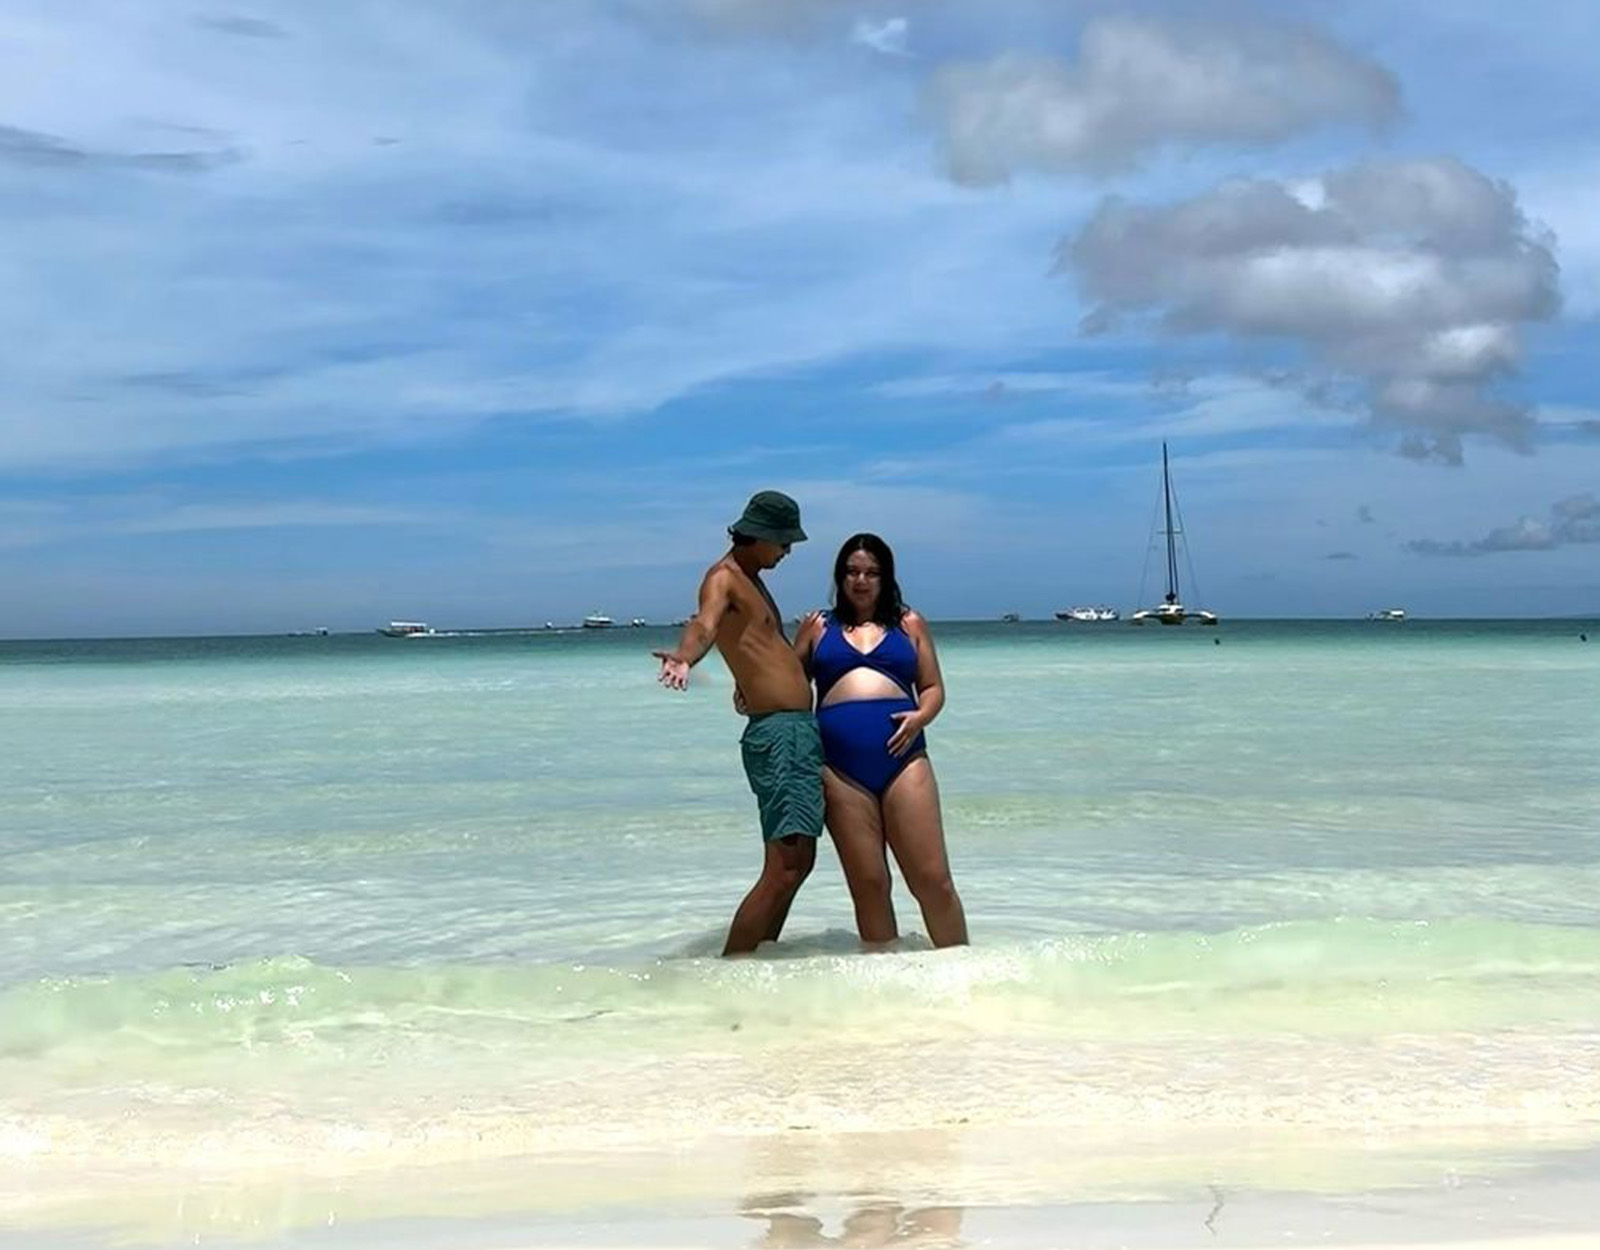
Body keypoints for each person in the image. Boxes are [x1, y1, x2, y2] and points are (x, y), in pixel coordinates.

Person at [654, 490, 824, 956]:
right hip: (779, 736)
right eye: (784, 542)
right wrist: (685, 658)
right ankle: (732, 968)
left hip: (794, 732)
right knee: (784, 866)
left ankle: (762, 960)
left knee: (799, 863)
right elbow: (704, 625)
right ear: (760, 534)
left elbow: (761, 653)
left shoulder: (753, 580)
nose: (787, 551)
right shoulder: (724, 578)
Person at [792, 534, 968, 948]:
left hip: (905, 760)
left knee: (932, 880)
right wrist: (750, 693)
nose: (861, 580)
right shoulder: (817, 626)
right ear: (840, 577)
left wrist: (921, 716)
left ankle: (963, 968)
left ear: (885, 578)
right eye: (852, 572)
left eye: (871, 573)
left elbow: (932, 687)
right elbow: (788, 683)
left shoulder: (910, 623)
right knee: (869, 885)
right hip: (839, 768)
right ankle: (883, 975)